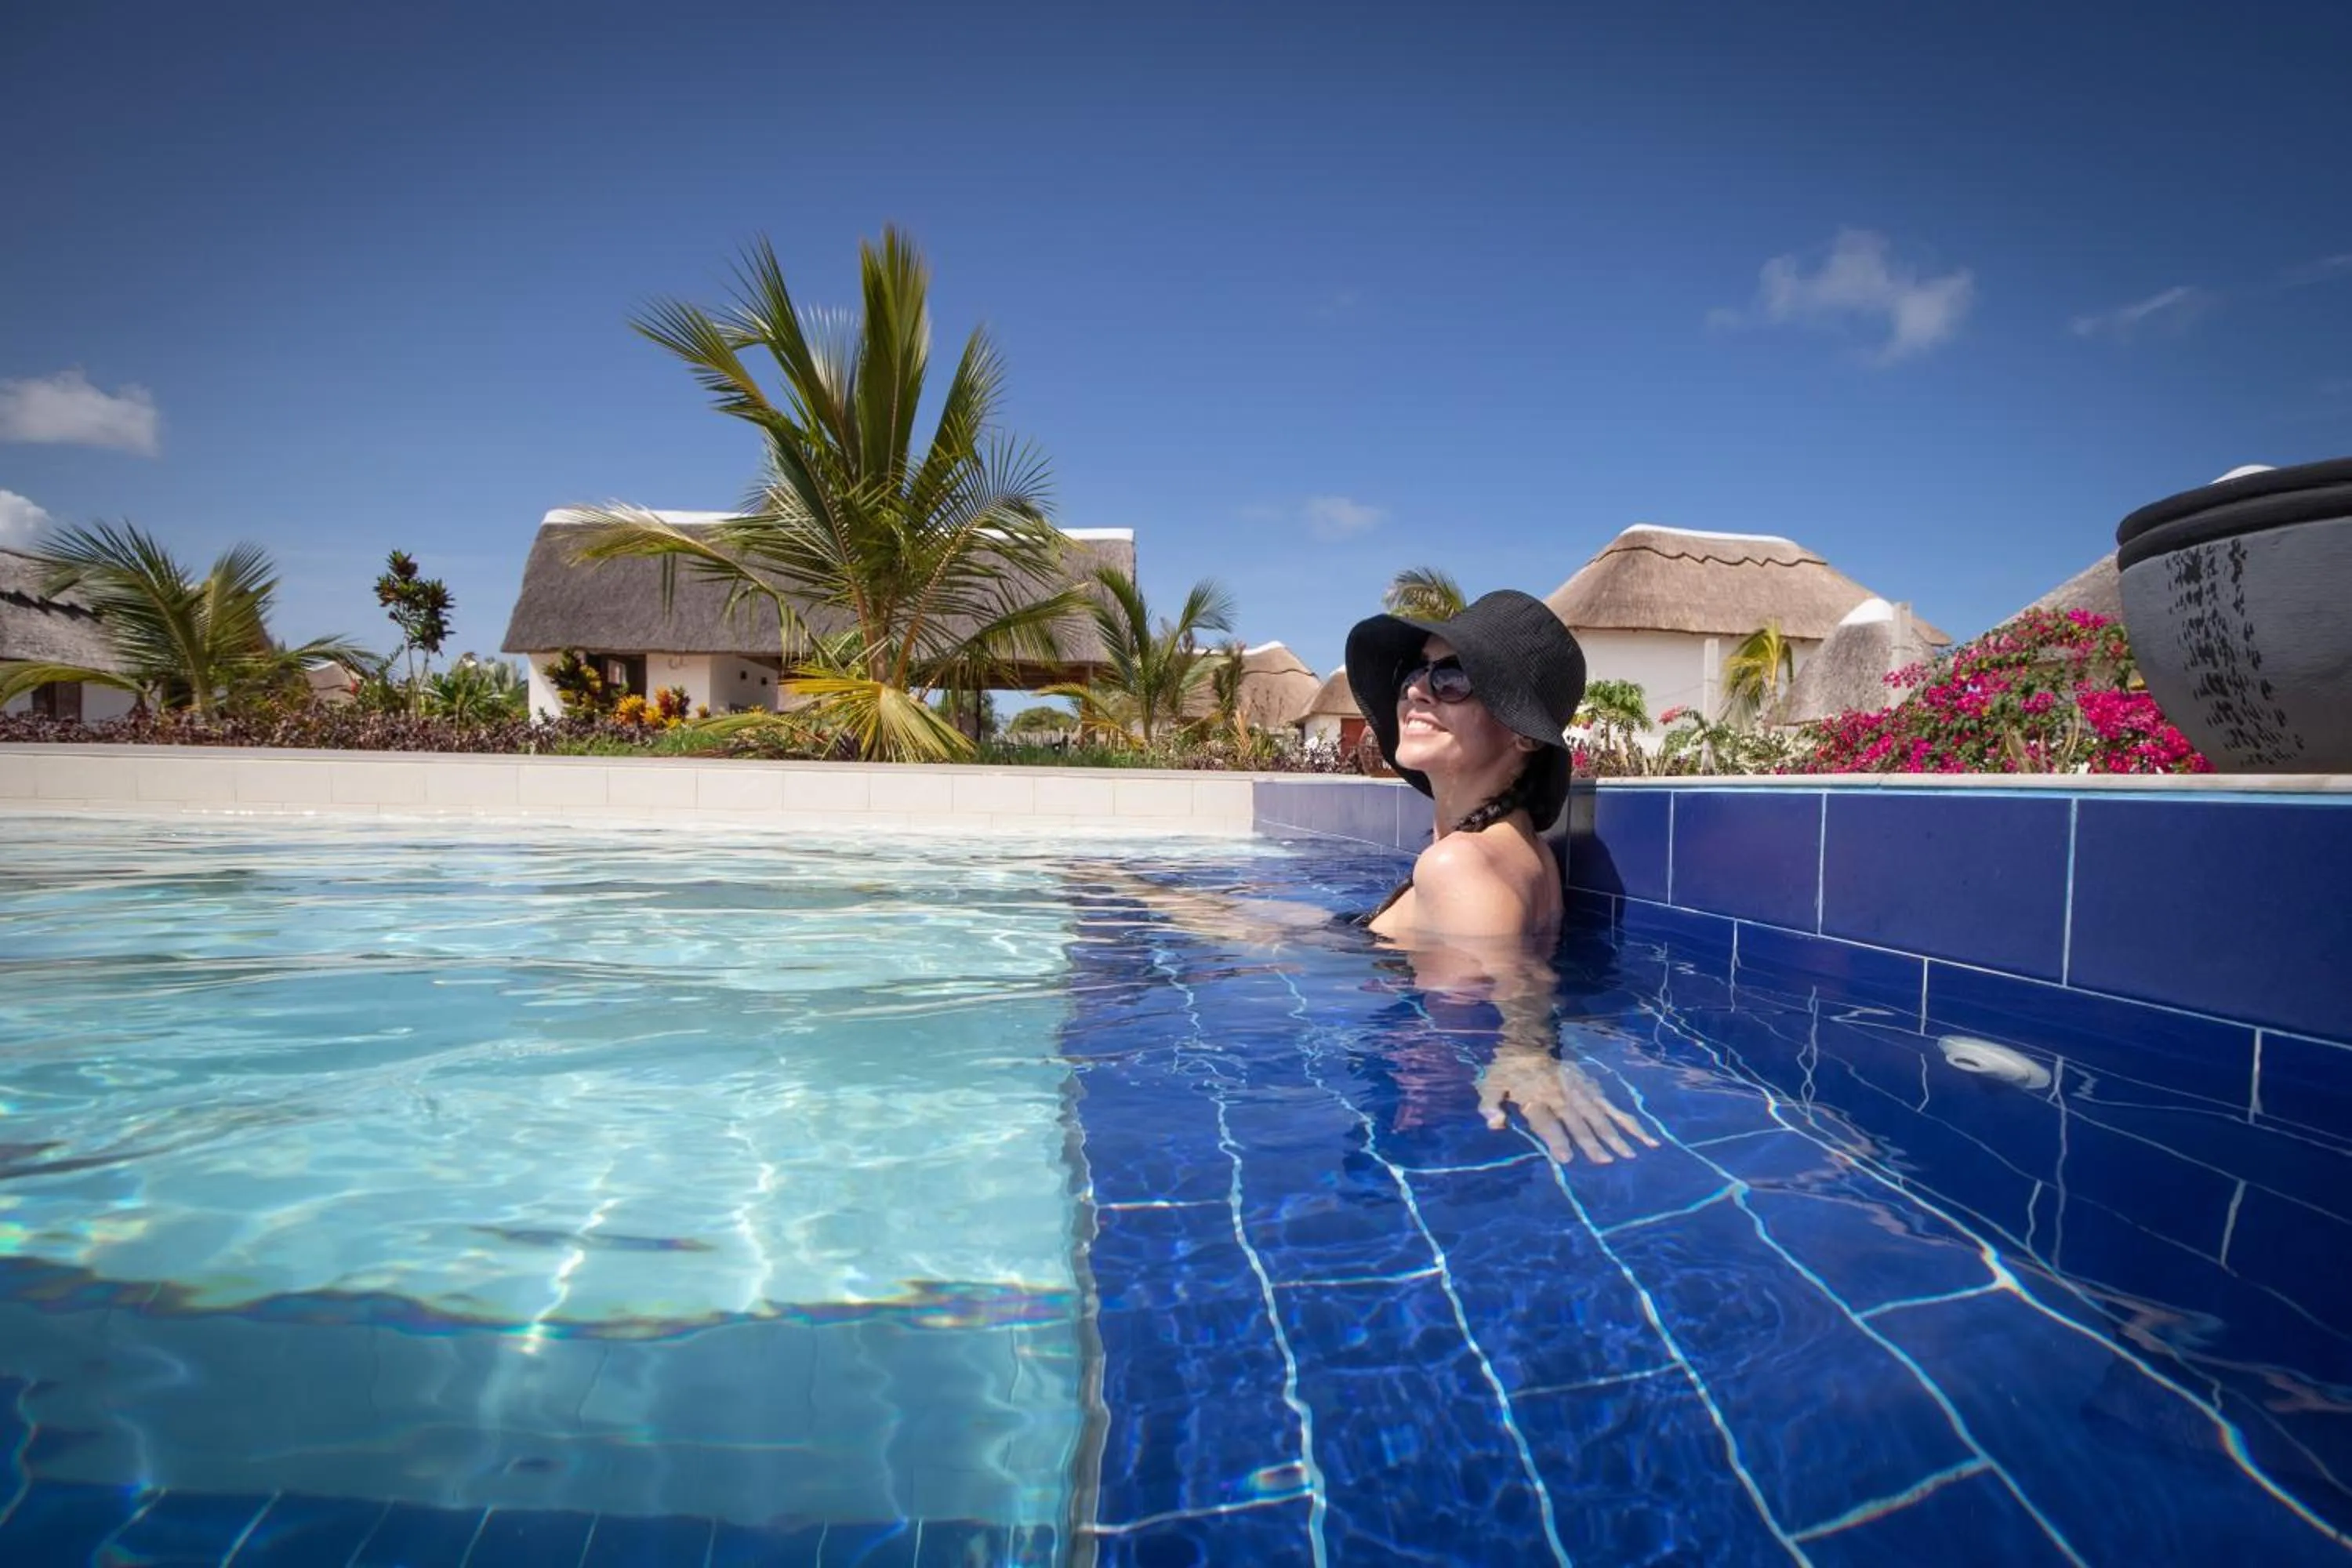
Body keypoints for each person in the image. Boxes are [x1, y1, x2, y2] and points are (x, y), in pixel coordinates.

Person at [1342, 590, 1656, 1163]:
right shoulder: (1520, 850)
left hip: (1437, 1103)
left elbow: (1502, 980)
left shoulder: (1460, 863)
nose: (1416, 689)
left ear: (1524, 734)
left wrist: (1529, 1053)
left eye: (1453, 678)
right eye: (1417, 672)